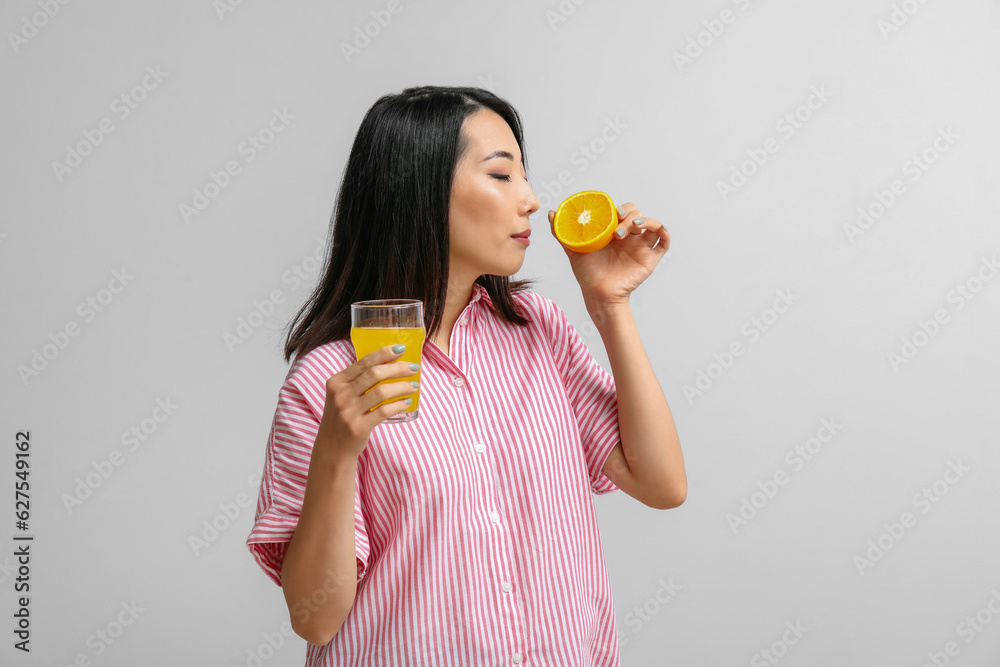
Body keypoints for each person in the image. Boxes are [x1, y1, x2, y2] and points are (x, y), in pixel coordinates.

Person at [246, 85, 686, 666]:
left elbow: (661, 484)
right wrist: (336, 449)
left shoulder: (538, 330)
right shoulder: (328, 381)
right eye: (502, 176)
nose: (530, 199)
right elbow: (315, 618)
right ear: (419, 192)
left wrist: (609, 304)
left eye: (524, 175)